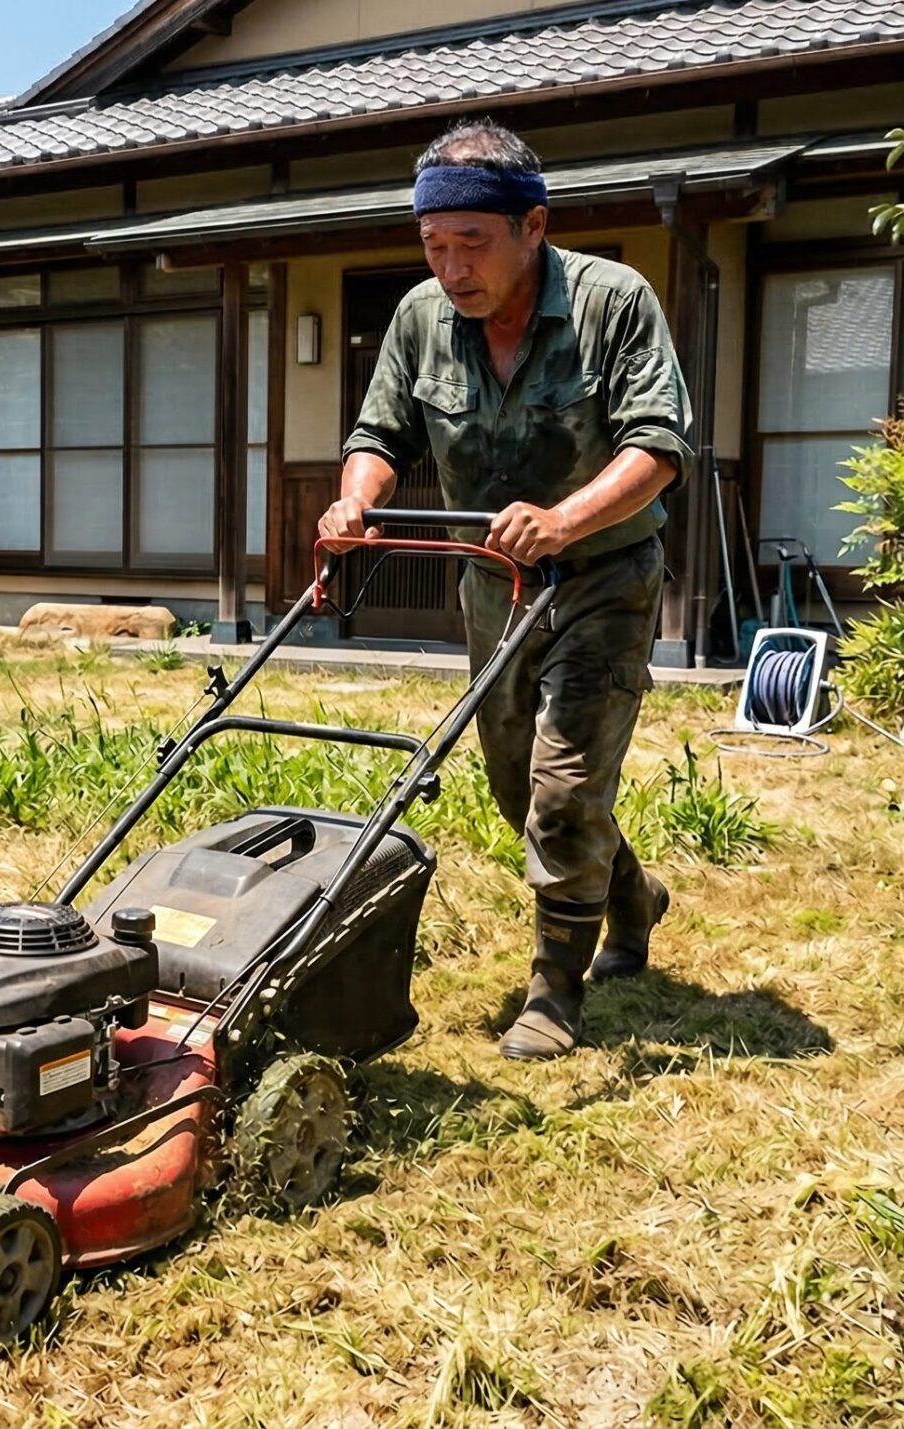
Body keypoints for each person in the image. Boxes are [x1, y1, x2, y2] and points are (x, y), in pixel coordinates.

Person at [323, 118, 692, 1061]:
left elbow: (658, 446)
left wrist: (567, 519)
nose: (452, 268)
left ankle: (556, 991)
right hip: (493, 589)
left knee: (564, 784)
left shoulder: (614, 302)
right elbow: (381, 436)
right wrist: (354, 503)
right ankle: (629, 896)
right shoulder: (418, 320)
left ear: (533, 226)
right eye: (434, 246)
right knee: (513, 782)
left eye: (472, 243)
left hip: (604, 576)